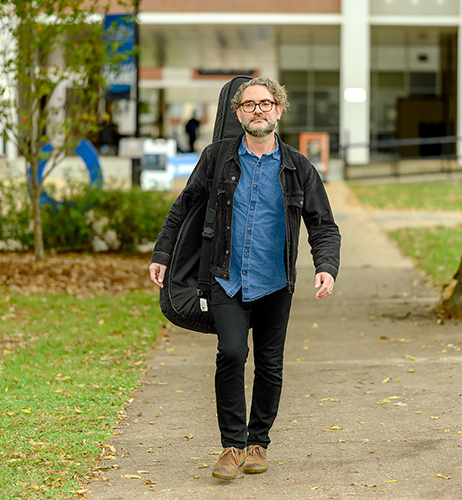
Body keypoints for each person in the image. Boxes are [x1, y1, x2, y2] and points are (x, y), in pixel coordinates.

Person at [149, 76, 341, 480]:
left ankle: (259, 444)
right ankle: (231, 446)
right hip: (227, 278)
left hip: (275, 282)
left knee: (270, 364)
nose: (259, 110)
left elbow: (323, 225)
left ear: (279, 109)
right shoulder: (217, 157)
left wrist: (326, 266)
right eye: (250, 104)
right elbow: (183, 208)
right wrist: (163, 253)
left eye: (266, 103)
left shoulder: (298, 167)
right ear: (237, 113)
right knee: (232, 354)